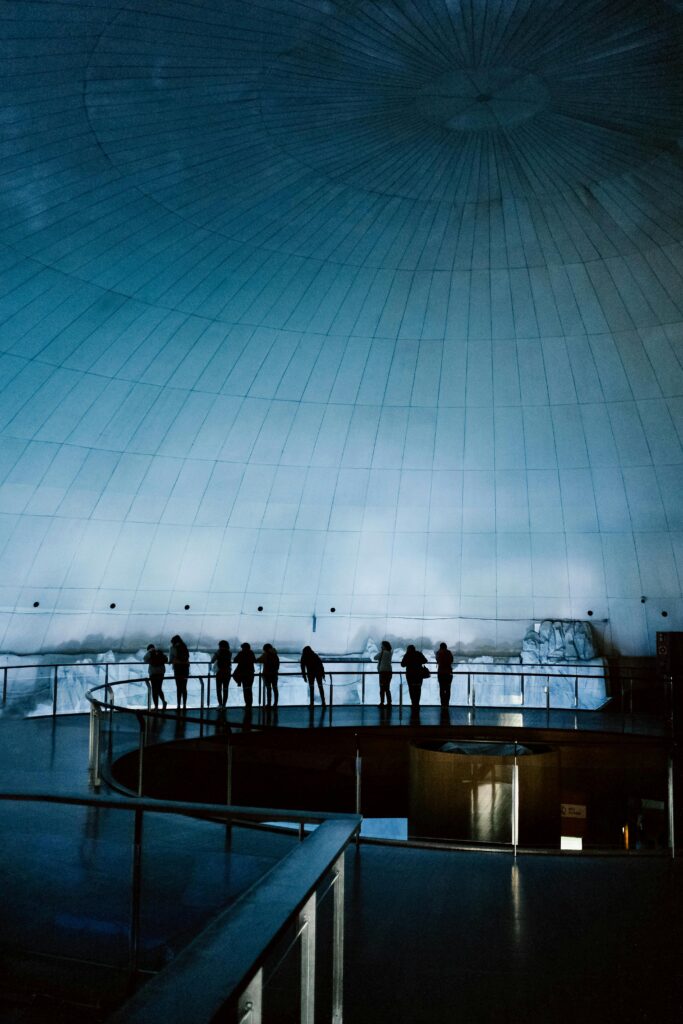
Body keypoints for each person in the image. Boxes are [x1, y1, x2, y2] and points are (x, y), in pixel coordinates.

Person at [401, 644, 428, 710]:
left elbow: (402, 664)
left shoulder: (407, 655)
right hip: (419, 674)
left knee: (411, 689)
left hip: (410, 675)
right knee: (418, 689)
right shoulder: (419, 653)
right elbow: (425, 661)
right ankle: (417, 704)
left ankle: (413, 703)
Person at [169, 634, 190, 711]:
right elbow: (187, 657)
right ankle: (184, 705)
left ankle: (178, 705)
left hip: (177, 669)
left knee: (178, 687)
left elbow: (170, 659)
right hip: (185, 669)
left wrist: (173, 661)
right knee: (184, 687)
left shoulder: (172, 648)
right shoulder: (184, 646)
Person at [144, 643, 168, 710]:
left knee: (154, 690)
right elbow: (166, 659)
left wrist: (149, 652)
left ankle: (156, 706)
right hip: (161, 673)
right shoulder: (160, 652)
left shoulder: (150, 653)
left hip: (153, 673)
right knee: (159, 688)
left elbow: (145, 659)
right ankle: (163, 702)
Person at [233, 642, 256, 708]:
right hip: (250, 673)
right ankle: (249, 704)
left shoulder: (241, 653)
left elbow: (235, 660)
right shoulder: (251, 653)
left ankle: (247, 704)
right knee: (249, 689)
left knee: (245, 689)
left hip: (243, 673)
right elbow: (254, 660)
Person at [211, 640, 232, 708]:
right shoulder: (229, 652)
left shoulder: (218, 652)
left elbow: (212, 660)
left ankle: (220, 704)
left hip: (220, 673)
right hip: (227, 672)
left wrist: (216, 654)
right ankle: (224, 705)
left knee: (219, 689)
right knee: (225, 689)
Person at [374, 640, 393, 707]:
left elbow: (375, 657)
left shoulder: (382, 653)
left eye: (382, 645)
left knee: (382, 688)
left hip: (383, 673)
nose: (381, 647)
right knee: (387, 688)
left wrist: (381, 651)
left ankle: (382, 702)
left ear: (384, 646)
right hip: (389, 672)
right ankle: (389, 703)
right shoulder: (390, 653)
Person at [435, 641, 453, 708]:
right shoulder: (449, 652)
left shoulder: (438, 653)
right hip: (448, 673)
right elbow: (451, 660)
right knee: (448, 689)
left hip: (441, 673)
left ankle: (442, 704)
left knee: (442, 689)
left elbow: (437, 659)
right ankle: (447, 703)